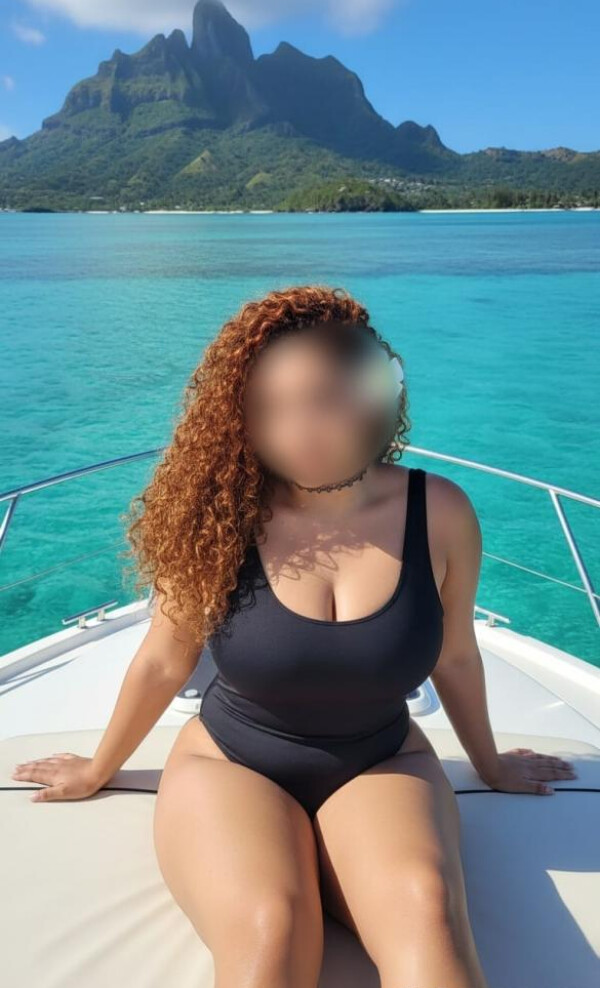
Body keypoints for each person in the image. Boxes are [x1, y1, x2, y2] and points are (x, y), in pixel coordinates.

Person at [12, 285, 576, 988]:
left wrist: (489, 765)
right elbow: (164, 659)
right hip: (231, 765)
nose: (298, 432)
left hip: (381, 761)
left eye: (323, 400)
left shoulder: (439, 512)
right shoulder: (220, 517)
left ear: (377, 392)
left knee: (427, 921)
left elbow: (457, 656)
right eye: (269, 410)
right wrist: (99, 768)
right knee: (269, 933)